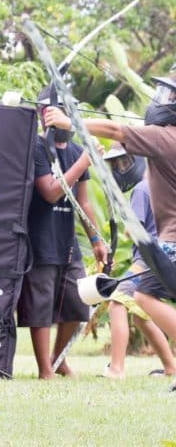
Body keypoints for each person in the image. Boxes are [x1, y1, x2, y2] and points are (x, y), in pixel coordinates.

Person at [44, 70, 176, 390]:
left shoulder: (166, 136)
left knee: (144, 296)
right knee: (145, 297)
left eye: (169, 96)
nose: (160, 101)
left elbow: (115, 129)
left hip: (172, 241)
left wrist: (68, 121)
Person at [17, 86, 108, 379]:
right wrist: (87, 160)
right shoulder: (36, 147)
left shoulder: (77, 151)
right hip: (41, 239)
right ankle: (45, 369)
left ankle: (59, 358)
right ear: (47, 114)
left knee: (78, 299)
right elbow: (51, 192)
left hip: (67, 241)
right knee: (41, 304)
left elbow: (82, 202)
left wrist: (96, 239)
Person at [102, 143, 176, 379]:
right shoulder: (159, 184)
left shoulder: (141, 189)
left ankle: (116, 368)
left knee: (116, 302)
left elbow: (135, 230)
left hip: (147, 259)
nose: (120, 168)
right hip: (160, 256)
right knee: (141, 315)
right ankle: (170, 367)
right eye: (116, 164)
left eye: (124, 162)